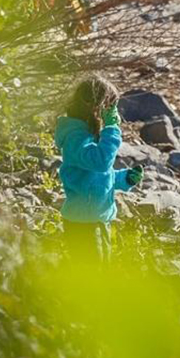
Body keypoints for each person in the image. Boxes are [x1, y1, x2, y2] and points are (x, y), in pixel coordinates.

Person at [54, 76, 143, 258]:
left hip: (96, 219)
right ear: (95, 108)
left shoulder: (85, 134)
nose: (114, 114)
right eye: (110, 108)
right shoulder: (75, 138)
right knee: (91, 276)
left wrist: (123, 178)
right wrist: (111, 128)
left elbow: (95, 177)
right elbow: (101, 163)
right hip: (83, 224)